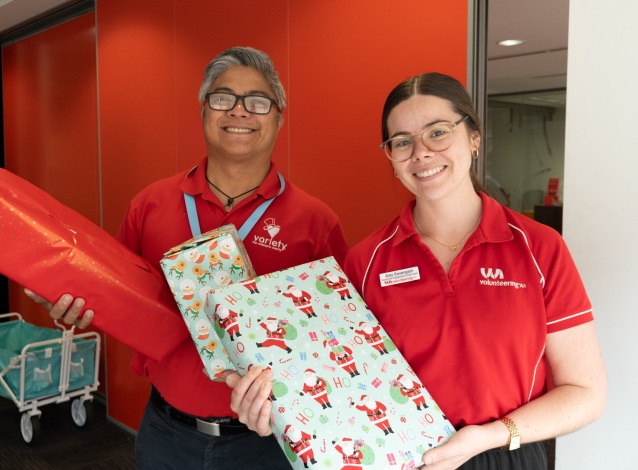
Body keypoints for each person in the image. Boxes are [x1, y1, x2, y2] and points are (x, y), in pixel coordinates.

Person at [226, 72, 606, 470]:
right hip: (400, 457)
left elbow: (585, 393)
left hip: (506, 451)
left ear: (474, 137)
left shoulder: (540, 248)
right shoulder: (366, 261)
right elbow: (340, 385)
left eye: (438, 132)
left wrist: (491, 435)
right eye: (402, 142)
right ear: (391, 157)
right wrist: (273, 410)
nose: (421, 153)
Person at [25, 46, 349, 469]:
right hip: (166, 434)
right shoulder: (151, 204)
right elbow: (115, 294)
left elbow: (335, 334)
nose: (239, 112)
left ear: (278, 118)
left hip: (267, 442)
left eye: (257, 101)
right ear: (203, 110)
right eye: (222, 98)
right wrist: (73, 305)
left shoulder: (316, 221)